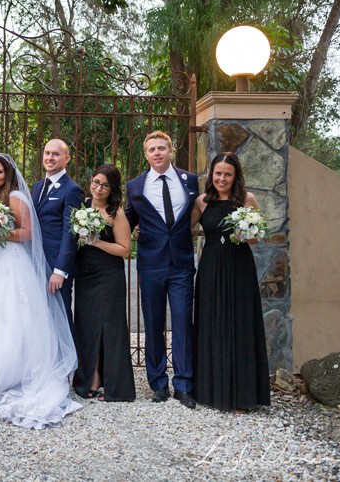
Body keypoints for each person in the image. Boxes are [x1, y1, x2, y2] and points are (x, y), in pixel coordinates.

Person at [0, 154, 81, 429]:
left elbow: (27, 232)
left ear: (7, 174)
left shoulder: (16, 196)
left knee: (10, 317)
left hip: (11, 263)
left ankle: (10, 377)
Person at [191, 153, 271, 411]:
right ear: (211, 174)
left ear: (235, 176)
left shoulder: (247, 200)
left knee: (240, 324)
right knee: (212, 323)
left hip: (239, 267)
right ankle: (211, 391)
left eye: (227, 174)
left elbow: (258, 238)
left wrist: (246, 233)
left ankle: (242, 396)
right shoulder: (202, 201)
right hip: (211, 266)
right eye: (218, 173)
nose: (221, 178)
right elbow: (183, 229)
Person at [124, 131, 198, 409]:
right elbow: (128, 221)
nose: (157, 153)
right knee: (153, 325)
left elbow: (195, 213)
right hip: (151, 263)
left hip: (181, 264)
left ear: (171, 150)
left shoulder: (189, 181)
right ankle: (158, 383)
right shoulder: (136, 186)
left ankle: (184, 385)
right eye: (152, 149)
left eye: (162, 148)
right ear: (146, 154)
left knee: (181, 323)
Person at [72, 164, 136, 402]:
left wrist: (95, 241)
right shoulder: (82, 207)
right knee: (87, 326)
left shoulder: (115, 213)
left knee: (109, 327)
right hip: (85, 276)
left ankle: (111, 383)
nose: (99, 188)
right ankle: (90, 377)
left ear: (112, 189)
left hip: (109, 276)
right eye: (96, 182)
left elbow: (125, 250)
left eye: (105, 185)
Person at [31, 139, 85, 329]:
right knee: (38, 318)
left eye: (55, 154)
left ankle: (67, 359)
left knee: (59, 320)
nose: (49, 158)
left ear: (67, 158)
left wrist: (60, 271)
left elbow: (70, 234)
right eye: (47, 153)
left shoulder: (72, 190)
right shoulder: (37, 186)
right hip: (35, 264)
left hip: (56, 268)